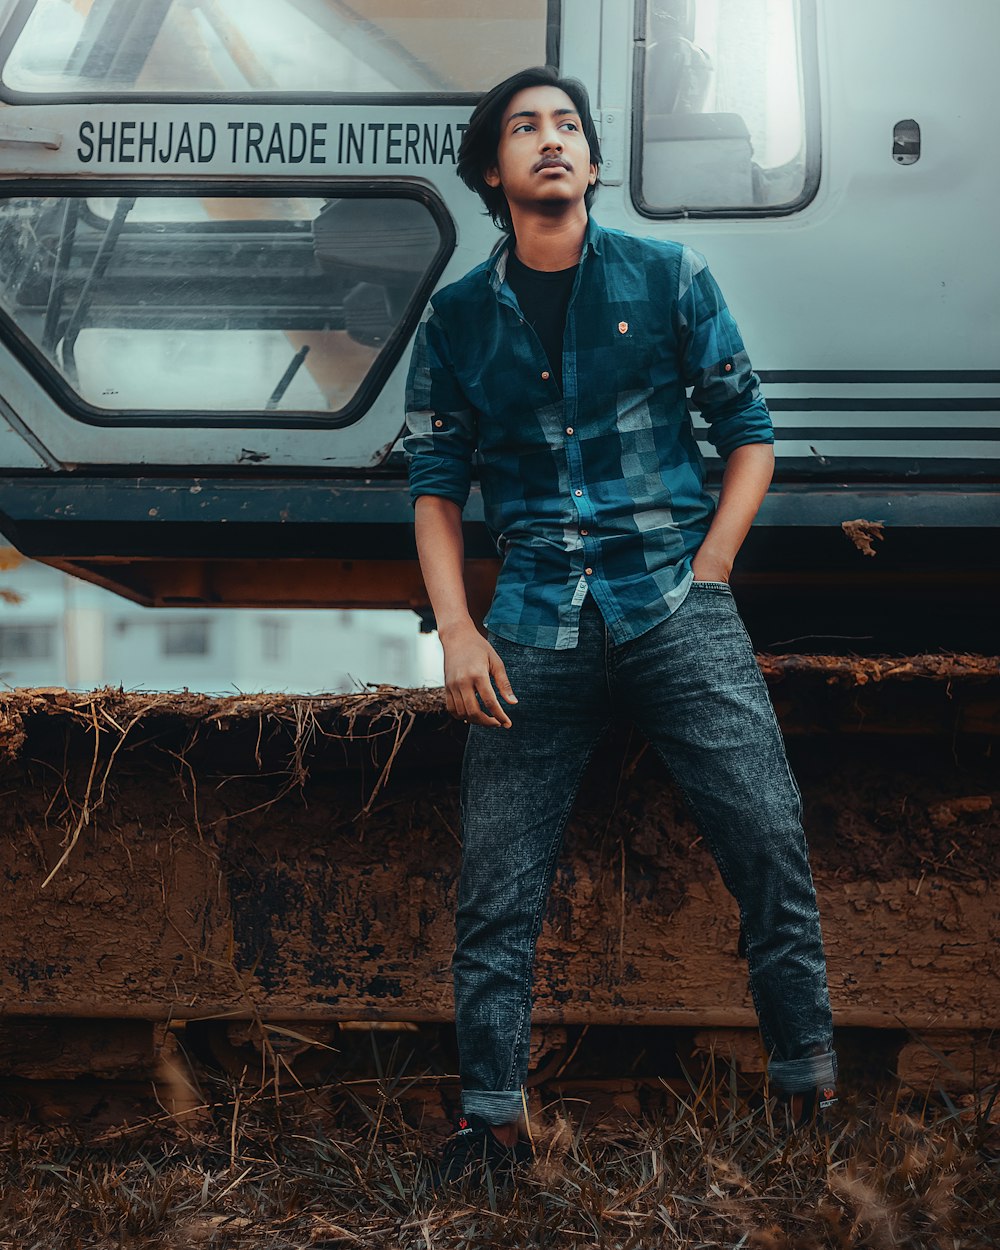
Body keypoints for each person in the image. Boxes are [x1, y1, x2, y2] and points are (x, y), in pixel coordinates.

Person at [403, 65, 838, 1186]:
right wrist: (456, 626)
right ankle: (491, 1128)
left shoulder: (669, 274)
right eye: (523, 129)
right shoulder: (454, 319)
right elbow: (437, 484)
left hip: (670, 603)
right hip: (532, 622)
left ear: (591, 162)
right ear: (491, 170)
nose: (550, 141)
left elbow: (749, 430)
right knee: (497, 882)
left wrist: (711, 568)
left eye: (567, 127)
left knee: (768, 838)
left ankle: (809, 1091)